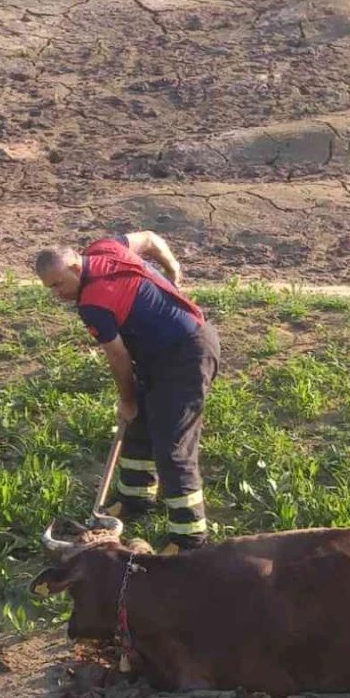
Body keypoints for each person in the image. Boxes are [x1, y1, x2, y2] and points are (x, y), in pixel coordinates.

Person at [34, 231, 220, 552]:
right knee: (139, 424)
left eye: (58, 284)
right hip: (157, 353)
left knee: (172, 446)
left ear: (76, 268)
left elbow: (118, 356)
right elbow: (148, 239)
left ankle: (189, 539)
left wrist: (127, 399)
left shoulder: (93, 303)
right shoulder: (104, 248)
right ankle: (135, 500)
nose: (57, 294)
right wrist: (171, 267)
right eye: (49, 288)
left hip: (187, 354)